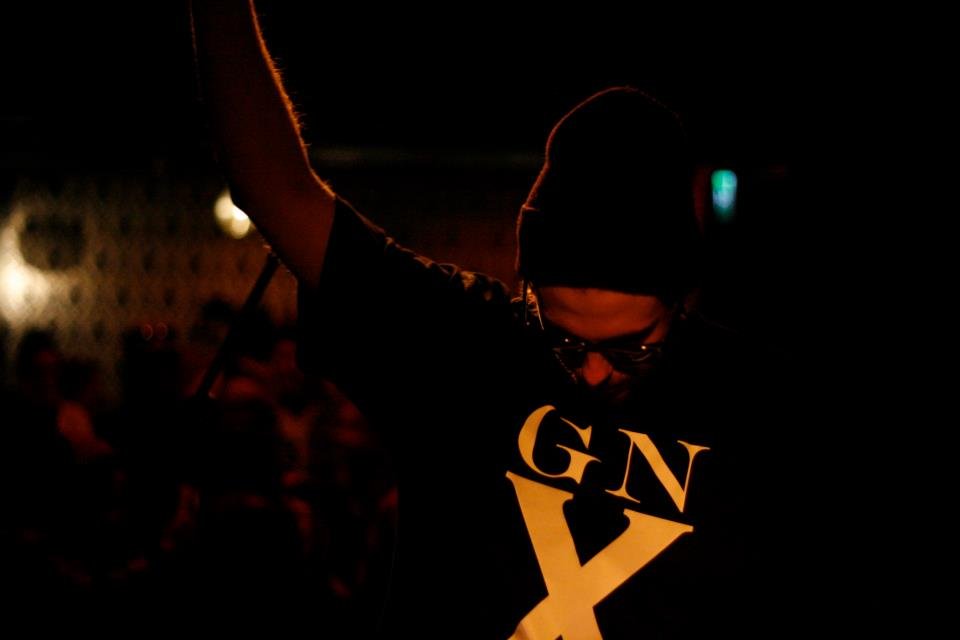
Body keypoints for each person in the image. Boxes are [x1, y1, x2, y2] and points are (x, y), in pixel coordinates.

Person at [191, 2, 815, 637]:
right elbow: (275, 189)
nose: (593, 372)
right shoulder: (466, 341)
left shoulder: (764, 404)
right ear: (529, 292)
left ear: (679, 302)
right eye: (564, 341)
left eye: (632, 349)